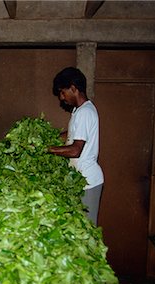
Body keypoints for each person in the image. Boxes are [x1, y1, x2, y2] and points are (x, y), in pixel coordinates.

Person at [48, 67, 103, 225]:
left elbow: (75, 150)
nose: (61, 97)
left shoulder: (85, 112)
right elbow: (72, 134)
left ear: (73, 88)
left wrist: (46, 149)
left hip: (88, 181)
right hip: (80, 179)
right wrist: (51, 138)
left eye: (62, 92)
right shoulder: (78, 111)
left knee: (86, 228)